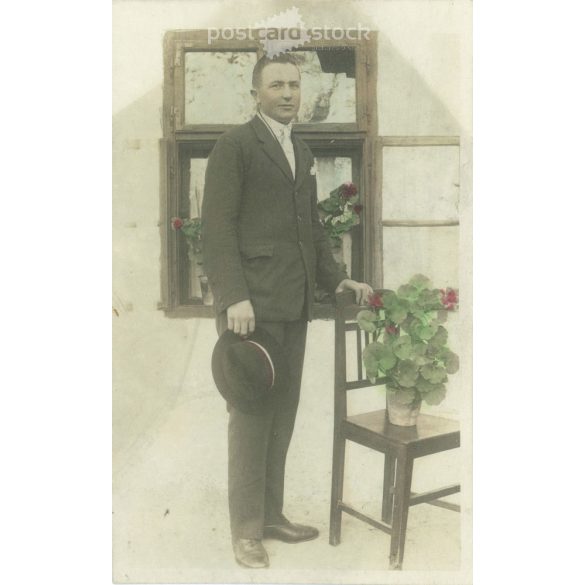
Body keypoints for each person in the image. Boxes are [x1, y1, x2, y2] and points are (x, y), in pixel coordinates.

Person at [201, 53, 373, 569]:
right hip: (250, 311)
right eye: (275, 85)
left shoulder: (299, 148)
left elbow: (312, 230)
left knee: (282, 418)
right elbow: (216, 228)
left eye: (294, 85)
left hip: (293, 307)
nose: (287, 94)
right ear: (255, 93)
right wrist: (234, 296)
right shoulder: (234, 147)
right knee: (251, 418)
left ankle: (271, 515)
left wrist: (334, 277)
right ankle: (246, 531)